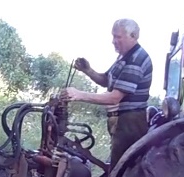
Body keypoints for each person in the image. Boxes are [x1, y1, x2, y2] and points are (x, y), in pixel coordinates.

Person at [60, 18, 153, 168]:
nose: (113, 41)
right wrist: (88, 70)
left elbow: (114, 98)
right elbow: (106, 80)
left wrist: (78, 94)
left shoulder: (136, 60)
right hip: (122, 121)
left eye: (118, 37)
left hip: (131, 122)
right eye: (113, 36)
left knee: (121, 171)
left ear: (133, 36)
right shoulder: (124, 57)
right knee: (116, 167)